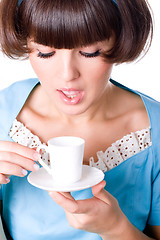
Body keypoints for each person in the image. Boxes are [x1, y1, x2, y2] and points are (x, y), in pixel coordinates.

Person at [0, 0, 159, 239]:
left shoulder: (153, 130)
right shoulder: (5, 112)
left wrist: (116, 228)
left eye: (89, 52)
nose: (67, 75)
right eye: (45, 53)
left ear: (119, 39)